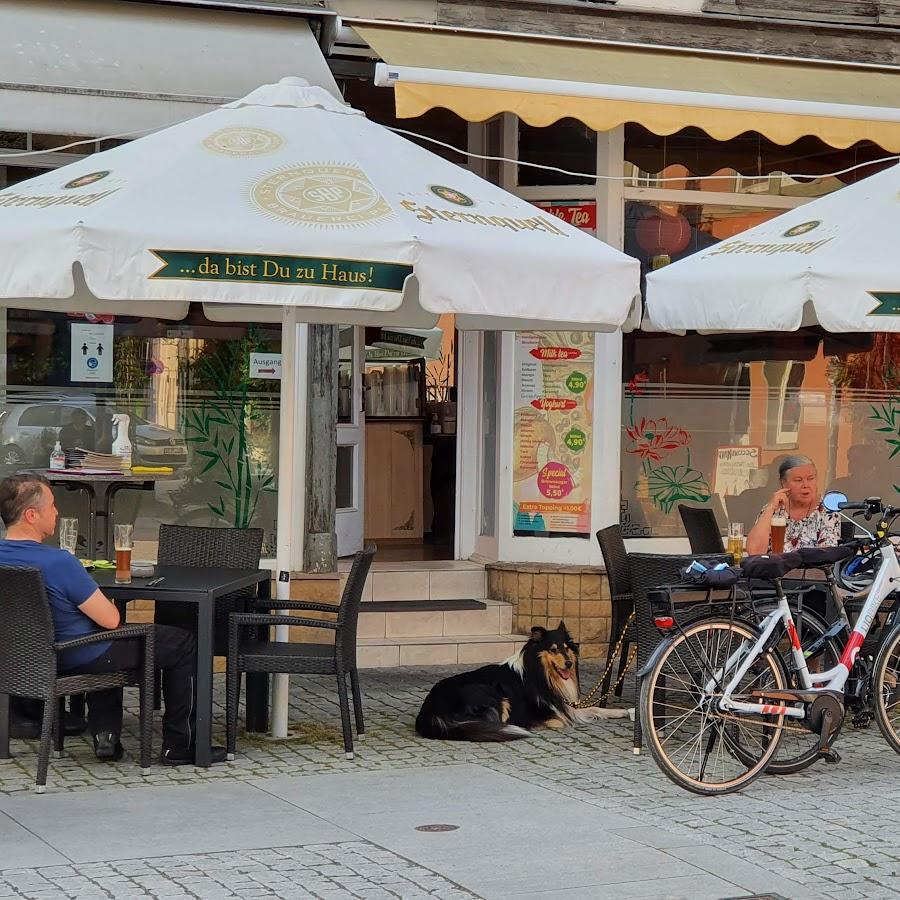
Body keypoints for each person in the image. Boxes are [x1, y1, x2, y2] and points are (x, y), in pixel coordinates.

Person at [0, 473, 225, 765]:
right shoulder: (59, 562)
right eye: (52, 505)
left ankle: (106, 735)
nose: (56, 512)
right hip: (78, 653)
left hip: (22, 657)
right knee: (183, 643)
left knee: (106, 639)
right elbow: (110, 619)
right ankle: (181, 746)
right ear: (32, 515)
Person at [746, 455, 840, 556]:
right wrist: (770, 508)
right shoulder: (774, 509)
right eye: (798, 480)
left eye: (811, 479)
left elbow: (826, 554)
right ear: (783, 483)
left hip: (812, 566)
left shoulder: (828, 509)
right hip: (774, 566)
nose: (806, 485)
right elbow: (754, 552)